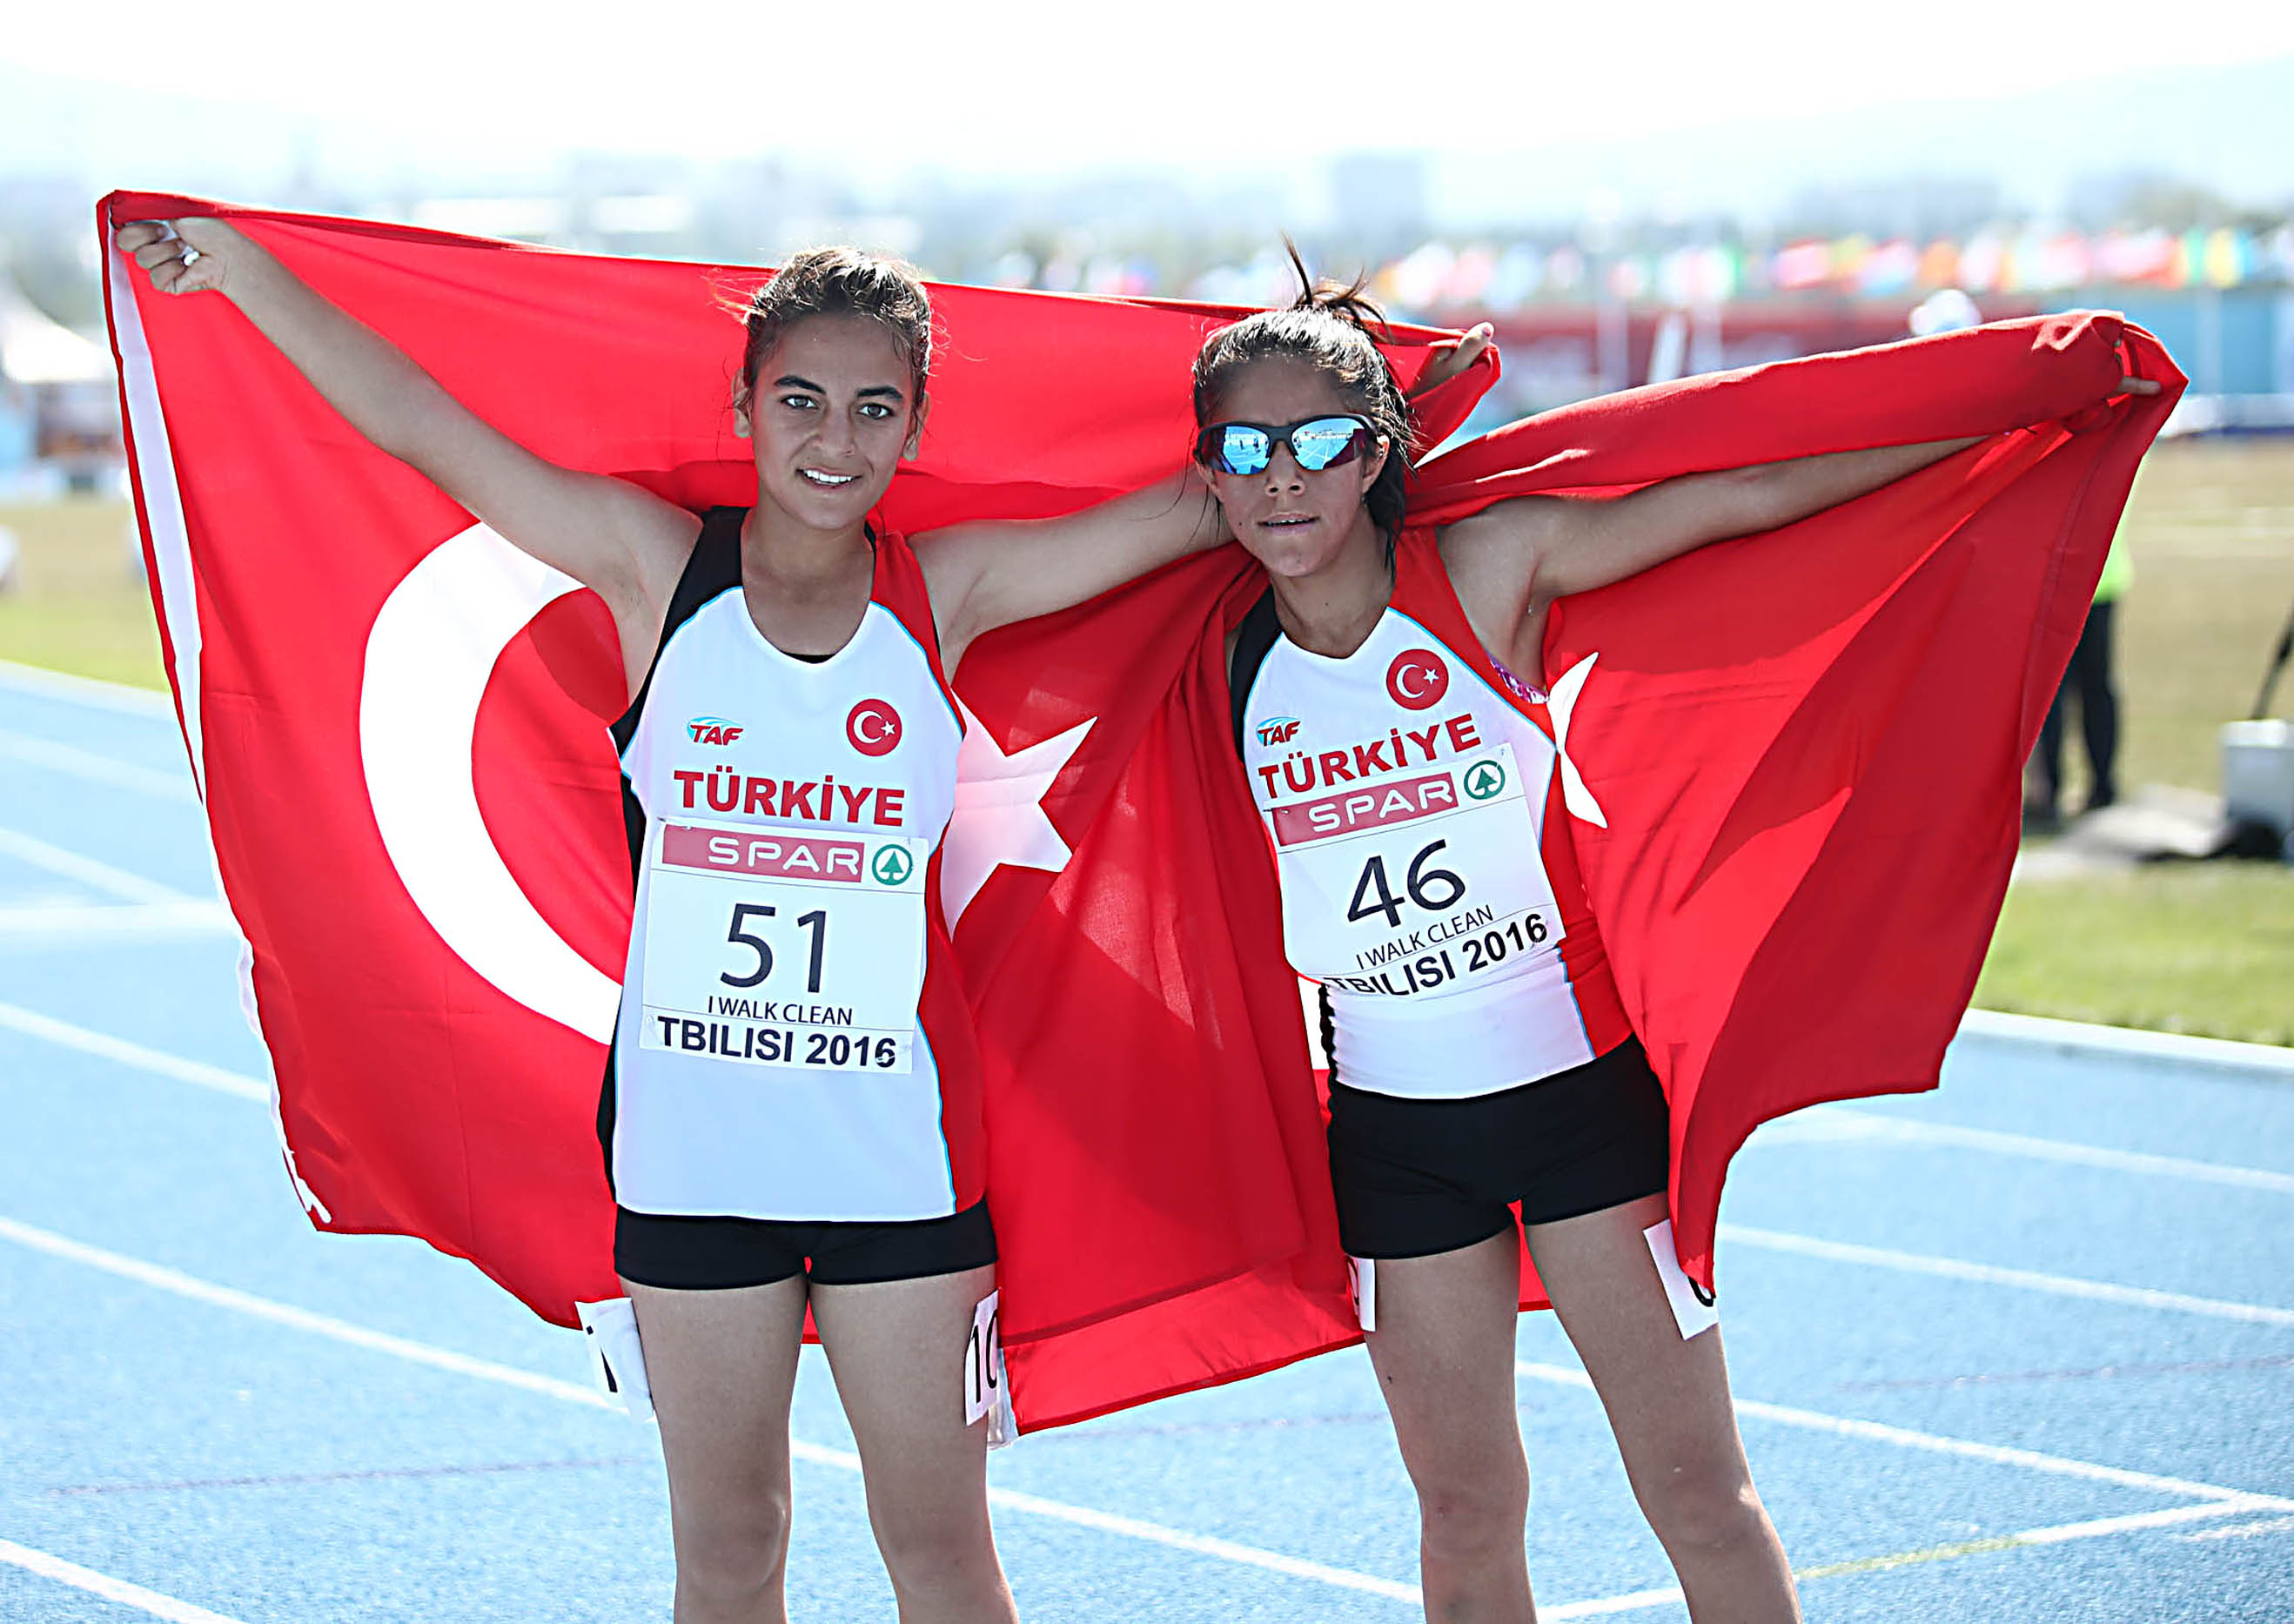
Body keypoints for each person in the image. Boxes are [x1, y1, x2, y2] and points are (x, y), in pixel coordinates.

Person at [112, 215, 1257, 1624]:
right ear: (743, 405)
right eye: (800, 399)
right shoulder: (658, 570)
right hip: (691, 1163)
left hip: (899, 1167)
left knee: (942, 1553)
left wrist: (1350, 401)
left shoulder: (942, 590)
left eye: (874, 408)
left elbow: (1206, 505)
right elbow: (421, 425)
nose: (834, 438)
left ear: (914, 428)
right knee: (727, 1551)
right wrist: (243, 275)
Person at [1200, 270, 2159, 1624]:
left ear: (1375, 453)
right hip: (1393, 1140)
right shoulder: (1216, 644)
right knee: (1464, 1514)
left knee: (1698, 1493)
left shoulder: (1486, 569)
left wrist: (2008, 419)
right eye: (1246, 448)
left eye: (1319, 441)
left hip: (1582, 1113)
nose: (1284, 477)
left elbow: (1744, 496)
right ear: (1210, 474)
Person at [2031, 530, 2128, 823]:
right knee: (2095, 688)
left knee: (2053, 692)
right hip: (2099, 578)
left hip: (2062, 580)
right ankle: (2102, 788)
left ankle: (2050, 793)